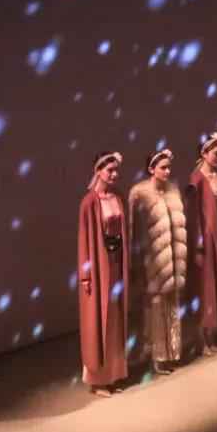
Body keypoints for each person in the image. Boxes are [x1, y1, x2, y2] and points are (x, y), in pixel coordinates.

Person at [128, 149, 188, 375]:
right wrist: (137, 262)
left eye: (168, 167)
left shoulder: (173, 191)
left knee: (172, 307)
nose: (167, 171)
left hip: (173, 260)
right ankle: (157, 355)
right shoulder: (140, 195)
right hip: (152, 262)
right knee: (155, 309)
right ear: (151, 169)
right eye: (163, 167)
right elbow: (134, 232)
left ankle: (172, 353)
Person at [77, 151, 131, 396]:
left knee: (115, 319)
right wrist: (86, 275)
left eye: (116, 170)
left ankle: (114, 374)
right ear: (98, 171)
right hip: (99, 267)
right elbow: (84, 241)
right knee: (100, 320)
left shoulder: (117, 197)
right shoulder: (89, 202)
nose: (114, 174)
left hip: (116, 262)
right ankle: (98, 379)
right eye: (110, 170)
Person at [186, 133, 217, 356]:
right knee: (205, 288)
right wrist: (198, 245)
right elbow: (193, 215)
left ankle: (212, 335)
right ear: (204, 153)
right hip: (206, 242)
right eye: (216, 153)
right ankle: (203, 339)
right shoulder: (196, 179)